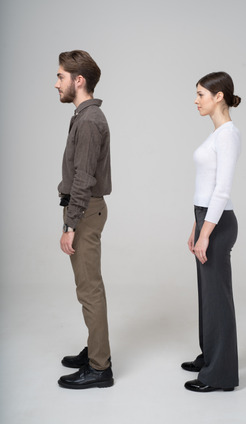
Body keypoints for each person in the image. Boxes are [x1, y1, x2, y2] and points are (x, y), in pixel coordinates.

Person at [54, 50, 113, 389]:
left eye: (61, 76)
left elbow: (83, 178)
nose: (57, 82)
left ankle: (100, 367)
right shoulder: (84, 116)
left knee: (89, 289)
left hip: (85, 212)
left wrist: (70, 225)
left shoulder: (89, 120)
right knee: (87, 287)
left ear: (79, 80)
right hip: (84, 210)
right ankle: (95, 349)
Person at [182, 72, 241, 393]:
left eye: (201, 94)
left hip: (218, 224)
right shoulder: (217, 134)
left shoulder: (228, 134)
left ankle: (221, 375)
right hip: (205, 219)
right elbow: (204, 188)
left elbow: (222, 190)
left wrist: (206, 233)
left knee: (218, 300)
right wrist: (195, 226)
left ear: (219, 96)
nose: (196, 100)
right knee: (208, 297)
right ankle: (210, 357)